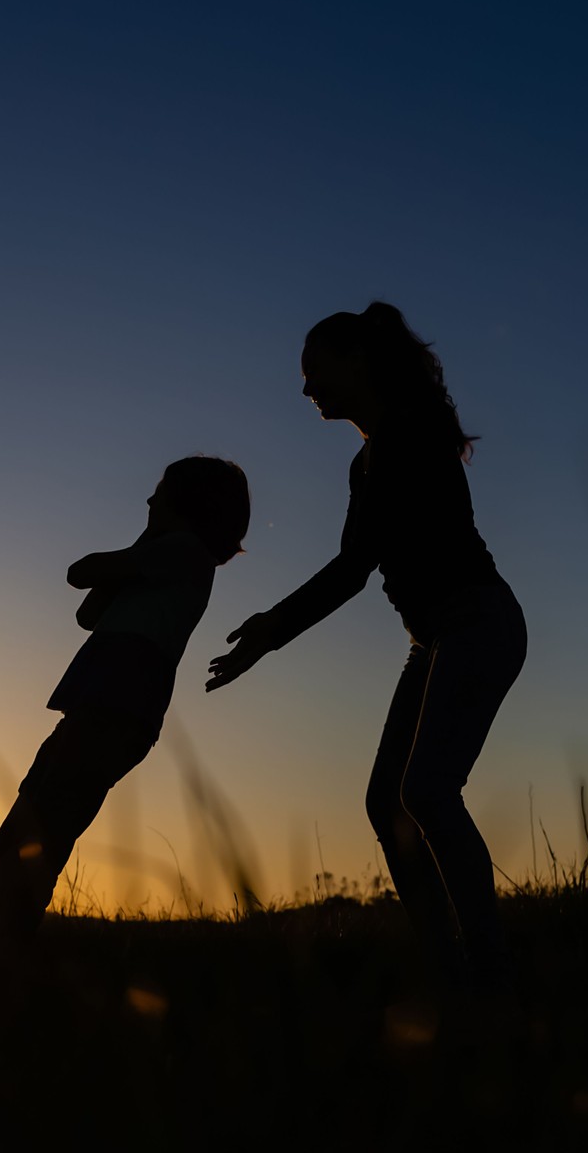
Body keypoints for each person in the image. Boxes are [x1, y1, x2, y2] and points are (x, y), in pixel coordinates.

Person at [206, 302, 525, 986]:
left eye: (314, 369)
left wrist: (271, 630)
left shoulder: (408, 435)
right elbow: (357, 562)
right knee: (390, 803)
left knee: (428, 791)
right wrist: (271, 629)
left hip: (477, 623)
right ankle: (451, 974)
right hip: (433, 639)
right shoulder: (369, 459)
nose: (305, 387)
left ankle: (491, 976)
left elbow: (353, 570)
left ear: (358, 362)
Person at [0, 455, 250, 955]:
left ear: (186, 505)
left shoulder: (185, 553)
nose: (148, 501)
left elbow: (81, 573)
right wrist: (143, 543)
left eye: (159, 494)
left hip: (115, 709)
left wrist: (141, 544)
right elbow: (88, 612)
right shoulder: (162, 558)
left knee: (39, 830)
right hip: (99, 707)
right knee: (31, 825)